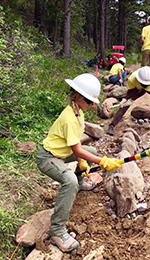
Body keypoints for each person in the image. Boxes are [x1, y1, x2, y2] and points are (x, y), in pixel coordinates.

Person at [37, 73, 121, 253]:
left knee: (90, 151)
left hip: (62, 152)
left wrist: (83, 162)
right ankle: (57, 231)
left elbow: (79, 147)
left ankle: (81, 181)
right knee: (69, 181)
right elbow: (77, 150)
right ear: (78, 96)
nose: (91, 105)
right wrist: (104, 161)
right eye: (89, 101)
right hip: (48, 158)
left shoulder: (78, 112)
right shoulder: (68, 118)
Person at [107, 66, 150, 135]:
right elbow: (130, 92)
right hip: (135, 87)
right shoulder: (132, 79)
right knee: (125, 104)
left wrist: (133, 99)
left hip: (146, 87)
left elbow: (144, 91)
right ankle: (112, 126)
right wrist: (126, 99)